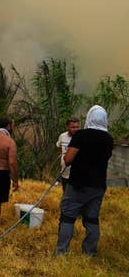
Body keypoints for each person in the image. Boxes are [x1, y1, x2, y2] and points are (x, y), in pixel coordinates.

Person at [55, 105, 114, 256]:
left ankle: (62, 252)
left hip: (78, 184)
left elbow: (67, 160)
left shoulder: (81, 135)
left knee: (68, 217)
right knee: (92, 219)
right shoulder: (108, 139)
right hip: (98, 186)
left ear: (90, 117)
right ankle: (89, 253)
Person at [56, 118, 80, 190]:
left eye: (77, 127)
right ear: (67, 126)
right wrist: (62, 158)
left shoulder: (80, 137)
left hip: (77, 174)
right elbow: (59, 147)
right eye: (73, 127)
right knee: (66, 193)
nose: (75, 129)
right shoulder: (62, 136)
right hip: (65, 172)